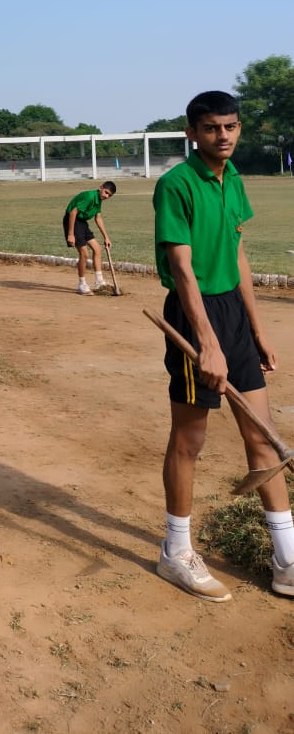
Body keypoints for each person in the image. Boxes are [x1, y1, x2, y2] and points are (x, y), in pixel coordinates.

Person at [153, 90, 294, 601]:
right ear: (192, 133)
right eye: (212, 128)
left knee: (263, 438)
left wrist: (255, 332)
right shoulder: (176, 185)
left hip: (232, 312)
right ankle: (176, 552)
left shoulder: (232, 179)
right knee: (189, 441)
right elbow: (182, 268)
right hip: (195, 318)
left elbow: (237, 256)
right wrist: (207, 343)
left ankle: (287, 560)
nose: (224, 136)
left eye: (231, 127)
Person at [63, 181, 116, 294]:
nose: (106, 196)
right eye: (106, 192)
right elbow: (73, 212)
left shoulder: (99, 200)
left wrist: (106, 237)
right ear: (100, 188)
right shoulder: (89, 196)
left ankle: (99, 281)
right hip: (72, 221)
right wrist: (71, 234)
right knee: (84, 253)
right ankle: (82, 284)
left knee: (97, 249)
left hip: (82, 222)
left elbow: (98, 218)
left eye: (109, 195)